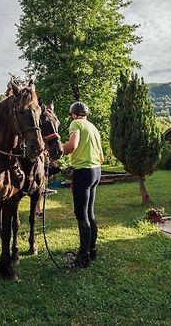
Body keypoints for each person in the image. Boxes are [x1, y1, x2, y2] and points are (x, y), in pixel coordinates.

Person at [62, 101, 104, 267]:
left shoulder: (76, 123)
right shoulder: (93, 127)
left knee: (81, 214)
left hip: (83, 173)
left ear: (73, 114)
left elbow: (72, 145)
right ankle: (92, 251)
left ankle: (83, 257)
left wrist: (56, 151)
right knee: (90, 213)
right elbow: (101, 157)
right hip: (96, 171)